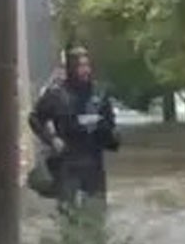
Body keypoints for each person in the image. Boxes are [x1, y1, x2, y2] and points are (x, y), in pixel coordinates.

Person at [28, 46, 119, 215]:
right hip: (68, 164)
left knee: (96, 215)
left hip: (94, 165)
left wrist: (109, 134)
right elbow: (35, 118)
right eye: (80, 66)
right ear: (71, 69)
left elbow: (110, 123)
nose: (85, 70)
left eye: (87, 65)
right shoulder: (57, 95)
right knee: (68, 214)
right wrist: (52, 139)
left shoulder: (99, 94)